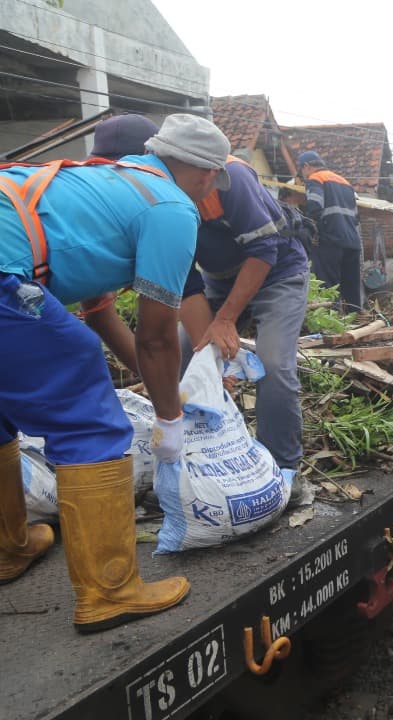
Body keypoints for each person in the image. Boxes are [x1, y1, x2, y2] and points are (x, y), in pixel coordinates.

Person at [0, 113, 230, 632]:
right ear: (203, 171)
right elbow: (154, 337)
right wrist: (170, 420)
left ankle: (8, 548)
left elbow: (102, 316)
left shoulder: (107, 186)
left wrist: (163, 395)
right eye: (211, 176)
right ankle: (110, 591)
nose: (210, 186)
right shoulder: (170, 207)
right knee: (87, 401)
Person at [178, 155, 310, 473]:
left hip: (279, 271)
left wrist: (224, 320)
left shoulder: (229, 177)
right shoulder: (155, 197)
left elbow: (265, 250)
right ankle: (202, 457)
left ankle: (284, 468)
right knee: (185, 352)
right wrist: (210, 365)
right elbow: (185, 280)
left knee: (274, 364)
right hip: (219, 280)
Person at [298, 150, 362, 310]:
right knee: (351, 286)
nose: (303, 177)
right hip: (352, 242)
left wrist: (307, 231)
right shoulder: (345, 182)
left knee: (328, 287)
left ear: (306, 166)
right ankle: (357, 320)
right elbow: (355, 217)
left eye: (301, 172)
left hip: (330, 241)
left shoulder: (315, 179)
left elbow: (314, 208)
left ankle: (332, 323)